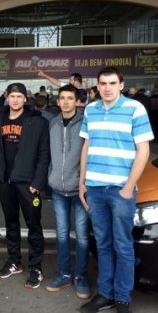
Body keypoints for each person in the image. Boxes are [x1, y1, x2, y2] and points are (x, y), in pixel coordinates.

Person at [78, 67, 153, 313]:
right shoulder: (91, 109)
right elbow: (87, 145)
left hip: (121, 190)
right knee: (102, 244)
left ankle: (122, 297)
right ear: (97, 86)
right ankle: (105, 294)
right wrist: (82, 182)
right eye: (103, 83)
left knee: (123, 245)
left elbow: (144, 150)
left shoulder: (134, 108)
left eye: (112, 83)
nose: (107, 88)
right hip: (95, 188)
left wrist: (128, 187)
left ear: (121, 85)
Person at [0, 83, 50, 289]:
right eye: (12, 96)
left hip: (28, 183)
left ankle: (36, 267)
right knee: (11, 223)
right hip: (5, 181)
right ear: (7, 97)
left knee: (34, 225)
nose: (15, 100)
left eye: (19, 96)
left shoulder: (37, 121)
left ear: (25, 98)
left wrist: (38, 182)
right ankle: (14, 260)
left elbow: (44, 154)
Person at [46, 85, 90, 298]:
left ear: (77, 101)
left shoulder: (85, 123)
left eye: (69, 98)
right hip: (57, 189)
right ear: (57, 101)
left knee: (82, 235)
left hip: (79, 189)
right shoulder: (53, 123)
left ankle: (80, 276)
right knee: (62, 234)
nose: (65, 102)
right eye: (62, 98)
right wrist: (50, 176)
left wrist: (85, 180)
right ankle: (64, 274)